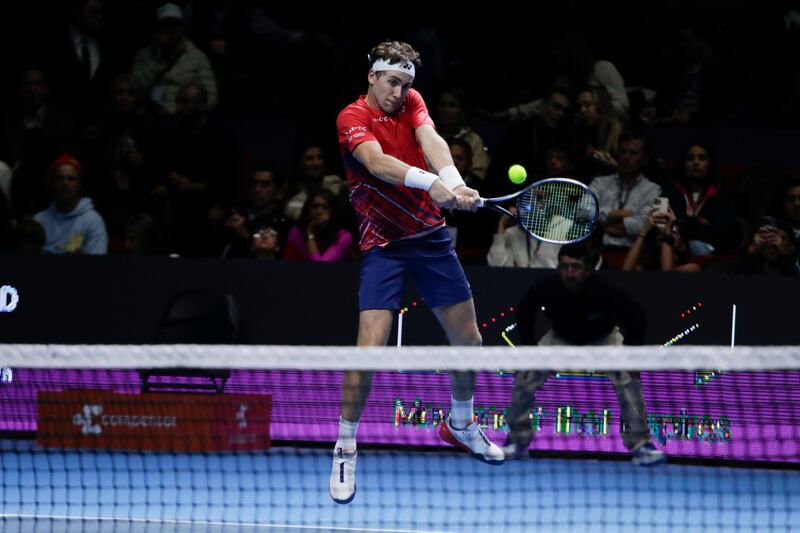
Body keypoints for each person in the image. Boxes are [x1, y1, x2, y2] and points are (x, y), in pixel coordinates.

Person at [330, 40, 504, 504]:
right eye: (392, 81)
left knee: (470, 342)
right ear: (372, 76)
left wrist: (454, 181)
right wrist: (431, 182)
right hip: (383, 247)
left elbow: (432, 140)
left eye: (406, 83)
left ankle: (461, 424)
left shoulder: (412, 101)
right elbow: (377, 164)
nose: (399, 91)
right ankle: (346, 445)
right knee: (368, 351)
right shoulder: (352, 118)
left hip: (429, 239)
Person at [504, 242, 666, 465]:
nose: (569, 272)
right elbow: (524, 312)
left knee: (628, 379)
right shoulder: (547, 286)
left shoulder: (605, 288)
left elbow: (636, 316)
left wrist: (631, 356)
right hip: (561, 338)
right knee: (525, 376)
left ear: (588, 269)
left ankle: (641, 444)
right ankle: (517, 440)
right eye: (564, 266)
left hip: (604, 337)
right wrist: (530, 349)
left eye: (576, 267)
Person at [589, 130, 662, 250]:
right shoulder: (599, 183)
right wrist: (618, 213)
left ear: (645, 159)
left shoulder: (653, 190)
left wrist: (600, 227)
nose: (626, 157)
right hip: (597, 252)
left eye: (633, 153)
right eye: (623, 152)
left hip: (633, 256)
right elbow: (584, 214)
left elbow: (642, 225)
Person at [34, 152, 108, 254]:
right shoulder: (38, 221)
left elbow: (96, 264)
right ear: (51, 183)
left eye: (71, 178)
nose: (65, 183)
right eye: (60, 178)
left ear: (79, 184)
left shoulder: (93, 221)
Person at [282, 189, 354, 262]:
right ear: (308, 210)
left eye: (325, 207)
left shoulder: (343, 236)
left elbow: (319, 268)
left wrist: (310, 234)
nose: (319, 211)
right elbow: (287, 264)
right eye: (315, 206)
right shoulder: (296, 232)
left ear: (333, 212)